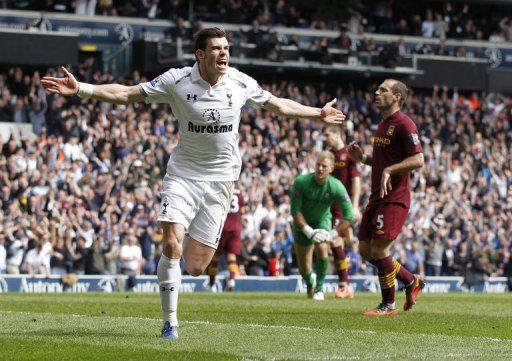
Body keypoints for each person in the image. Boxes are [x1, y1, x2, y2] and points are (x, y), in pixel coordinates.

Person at [41, 27, 345, 340]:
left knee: (197, 266)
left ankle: (172, 260)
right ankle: (170, 321)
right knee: (171, 241)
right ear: (200, 54)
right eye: (216, 48)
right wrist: (82, 90)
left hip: (221, 181)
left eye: (226, 48)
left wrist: (317, 114)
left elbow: (280, 105)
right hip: (183, 174)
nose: (224, 53)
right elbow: (128, 94)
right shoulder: (177, 80)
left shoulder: (241, 83)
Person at [347, 79, 425, 316]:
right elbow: (383, 161)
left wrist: (390, 171)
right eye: (377, 89)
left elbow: (419, 160)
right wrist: (363, 158)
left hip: (394, 197)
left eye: (383, 90)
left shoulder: (405, 124)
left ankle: (388, 304)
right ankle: (411, 280)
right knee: (364, 250)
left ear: (397, 97)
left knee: (380, 250)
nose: (377, 92)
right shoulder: (383, 124)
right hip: (376, 196)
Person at [290, 151, 354, 301]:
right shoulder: (301, 182)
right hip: (302, 225)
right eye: (318, 165)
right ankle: (310, 281)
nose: (320, 169)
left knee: (322, 247)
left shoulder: (336, 186)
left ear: (331, 168)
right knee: (304, 269)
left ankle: (319, 289)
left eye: (324, 166)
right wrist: (308, 230)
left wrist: (332, 233)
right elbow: (295, 211)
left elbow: (349, 216)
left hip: (322, 222)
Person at [323, 125, 361, 299]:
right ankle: (344, 284)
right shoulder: (329, 155)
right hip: (329, 205)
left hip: (342, 204)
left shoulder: (348, 154)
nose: (325, 138)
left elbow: (356, 181)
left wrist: (355, 205)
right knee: (333, 243)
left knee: (335, 240)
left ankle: (344, 285)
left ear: (337, 135)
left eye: (327, 135)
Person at [207, 186, 245, 291]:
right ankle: (232, 280)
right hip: (236, 229)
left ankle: (211, 284)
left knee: (215, 257)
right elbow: (242, 210)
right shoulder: (239, 192)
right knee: (232, 257)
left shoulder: (221, 189)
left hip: (223, 227)